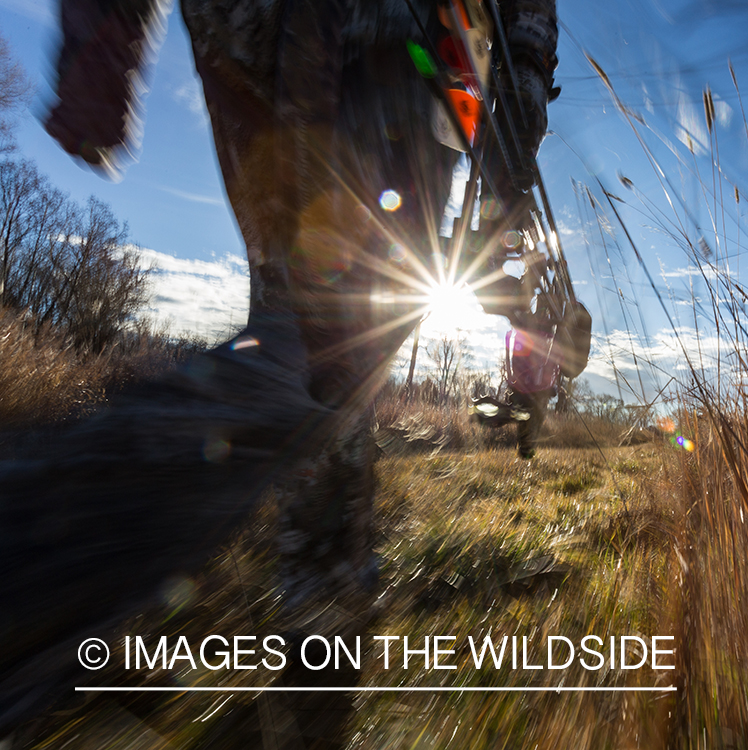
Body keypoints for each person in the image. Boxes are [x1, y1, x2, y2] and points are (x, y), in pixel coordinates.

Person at [0, 0, 558, 733]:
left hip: (275, 40)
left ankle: (308, 675)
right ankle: (40, 571)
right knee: (322, 353)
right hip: (372, 40)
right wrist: (520, 75)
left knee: (321, 358)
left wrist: (100, 49)